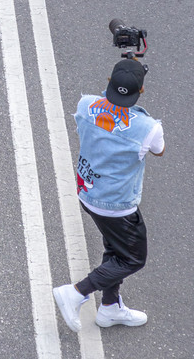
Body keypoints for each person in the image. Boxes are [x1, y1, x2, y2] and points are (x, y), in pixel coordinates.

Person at [53, 58, 163, 333]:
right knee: (132, 258)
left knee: (115, 249)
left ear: (109, 82)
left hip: (88, 193)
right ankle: (76, 292)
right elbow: (159, 150)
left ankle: (110, 308)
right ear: (141, 91)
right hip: (117, 206)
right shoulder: (149, 128)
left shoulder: (85, 104)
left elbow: (101, 113)